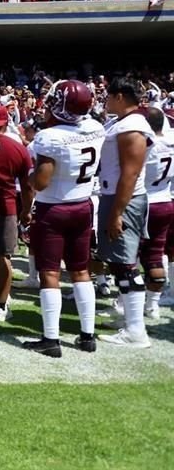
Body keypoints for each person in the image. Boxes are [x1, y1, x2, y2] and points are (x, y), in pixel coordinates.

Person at [22, 80, 105, 357]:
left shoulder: (50, 137)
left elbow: (42, 182)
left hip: (54, 210)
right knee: (81, 271)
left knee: (50, 273)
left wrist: (29, 176)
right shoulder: (94, 127)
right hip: (82, 206)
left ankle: (51, 338)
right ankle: (87, 335)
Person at [97, 77, 152, 347]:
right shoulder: (123, 122)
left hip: (124, 199)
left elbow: (130, 173)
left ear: (120, 96)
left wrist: (117, 212)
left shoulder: (132, 126)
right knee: (119, 262)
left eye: (109, 96)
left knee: (126, 264)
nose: (105, 100)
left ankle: (135, 330)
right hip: (115, 195)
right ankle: (129, 319)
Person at [0, 104, 34, 323]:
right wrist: (27, 211)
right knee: (2, 258)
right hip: (6, 206)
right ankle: (1, 304)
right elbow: (28, 186)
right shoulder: (17, 147)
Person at [139, 107, 173, 320]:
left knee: (129, 259)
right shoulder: (171, 142)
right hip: (165, 200)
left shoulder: (147, 146)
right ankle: (152, 306)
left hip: (144, 201)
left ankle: (124, 306)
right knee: (155, 256)